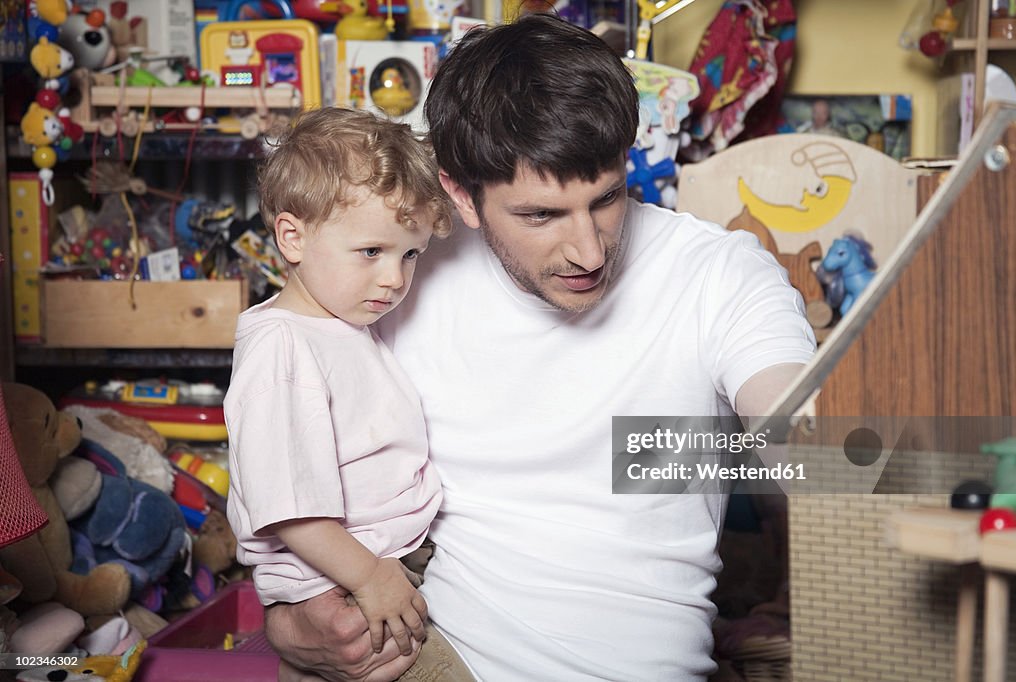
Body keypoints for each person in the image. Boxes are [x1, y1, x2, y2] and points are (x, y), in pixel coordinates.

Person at [266, 14, 817, 682]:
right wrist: (291, 625)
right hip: (439, 656)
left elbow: (811, 443)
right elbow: (289, 461)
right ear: (460, 196)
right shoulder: (399, 278)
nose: (588, 251)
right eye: (541, 216)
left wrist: (784, 452)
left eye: (606, 198)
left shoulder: (719, 275)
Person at [223, 108, 474, 680]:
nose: (395, 278)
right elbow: (288, 508)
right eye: (371, 252)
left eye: (409, 254)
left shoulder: (342, 325)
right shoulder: (282, 348)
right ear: (293, 236)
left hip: (380, 568)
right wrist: (369, 577)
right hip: (349, 582)